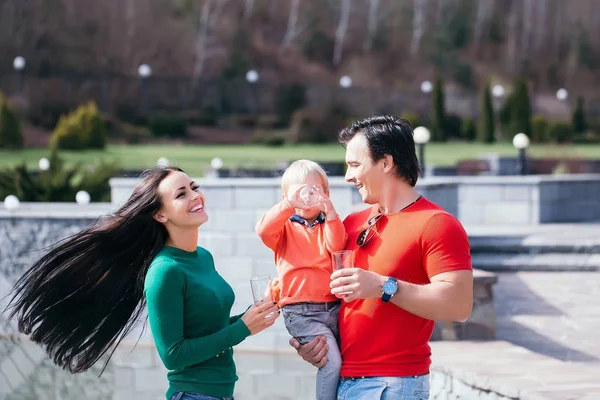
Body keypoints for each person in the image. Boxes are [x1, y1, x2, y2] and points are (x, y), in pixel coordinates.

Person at [4, 166, 280, 400]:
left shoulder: (203, 258)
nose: (196, 196)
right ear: (160, 215)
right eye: (182, 194)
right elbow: (173, 355)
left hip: (222, 393)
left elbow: (211, 330)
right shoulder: (164, 271)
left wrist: (252, 317)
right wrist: (242, 329)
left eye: (194, 187)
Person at [289, 116, 473, 400]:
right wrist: (315, 343)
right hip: (344, 381)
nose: (348, 177)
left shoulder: (436, 223)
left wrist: (384, 286)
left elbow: (459, 305)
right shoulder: (349, 224)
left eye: (354, 165)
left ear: (386, 163)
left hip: (393, 384)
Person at [256, 160, 347, 400]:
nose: (306, 197)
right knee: (331, 362)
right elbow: (264, 230)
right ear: (285, 197)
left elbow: (338, 245)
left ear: (325, 194)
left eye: (313, 191)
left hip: (334, 307)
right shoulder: (283, 229)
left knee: (347, 360)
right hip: (302, 312)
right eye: (299, 192)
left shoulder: (328, 225)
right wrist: (288, 205)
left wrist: (331, 213)